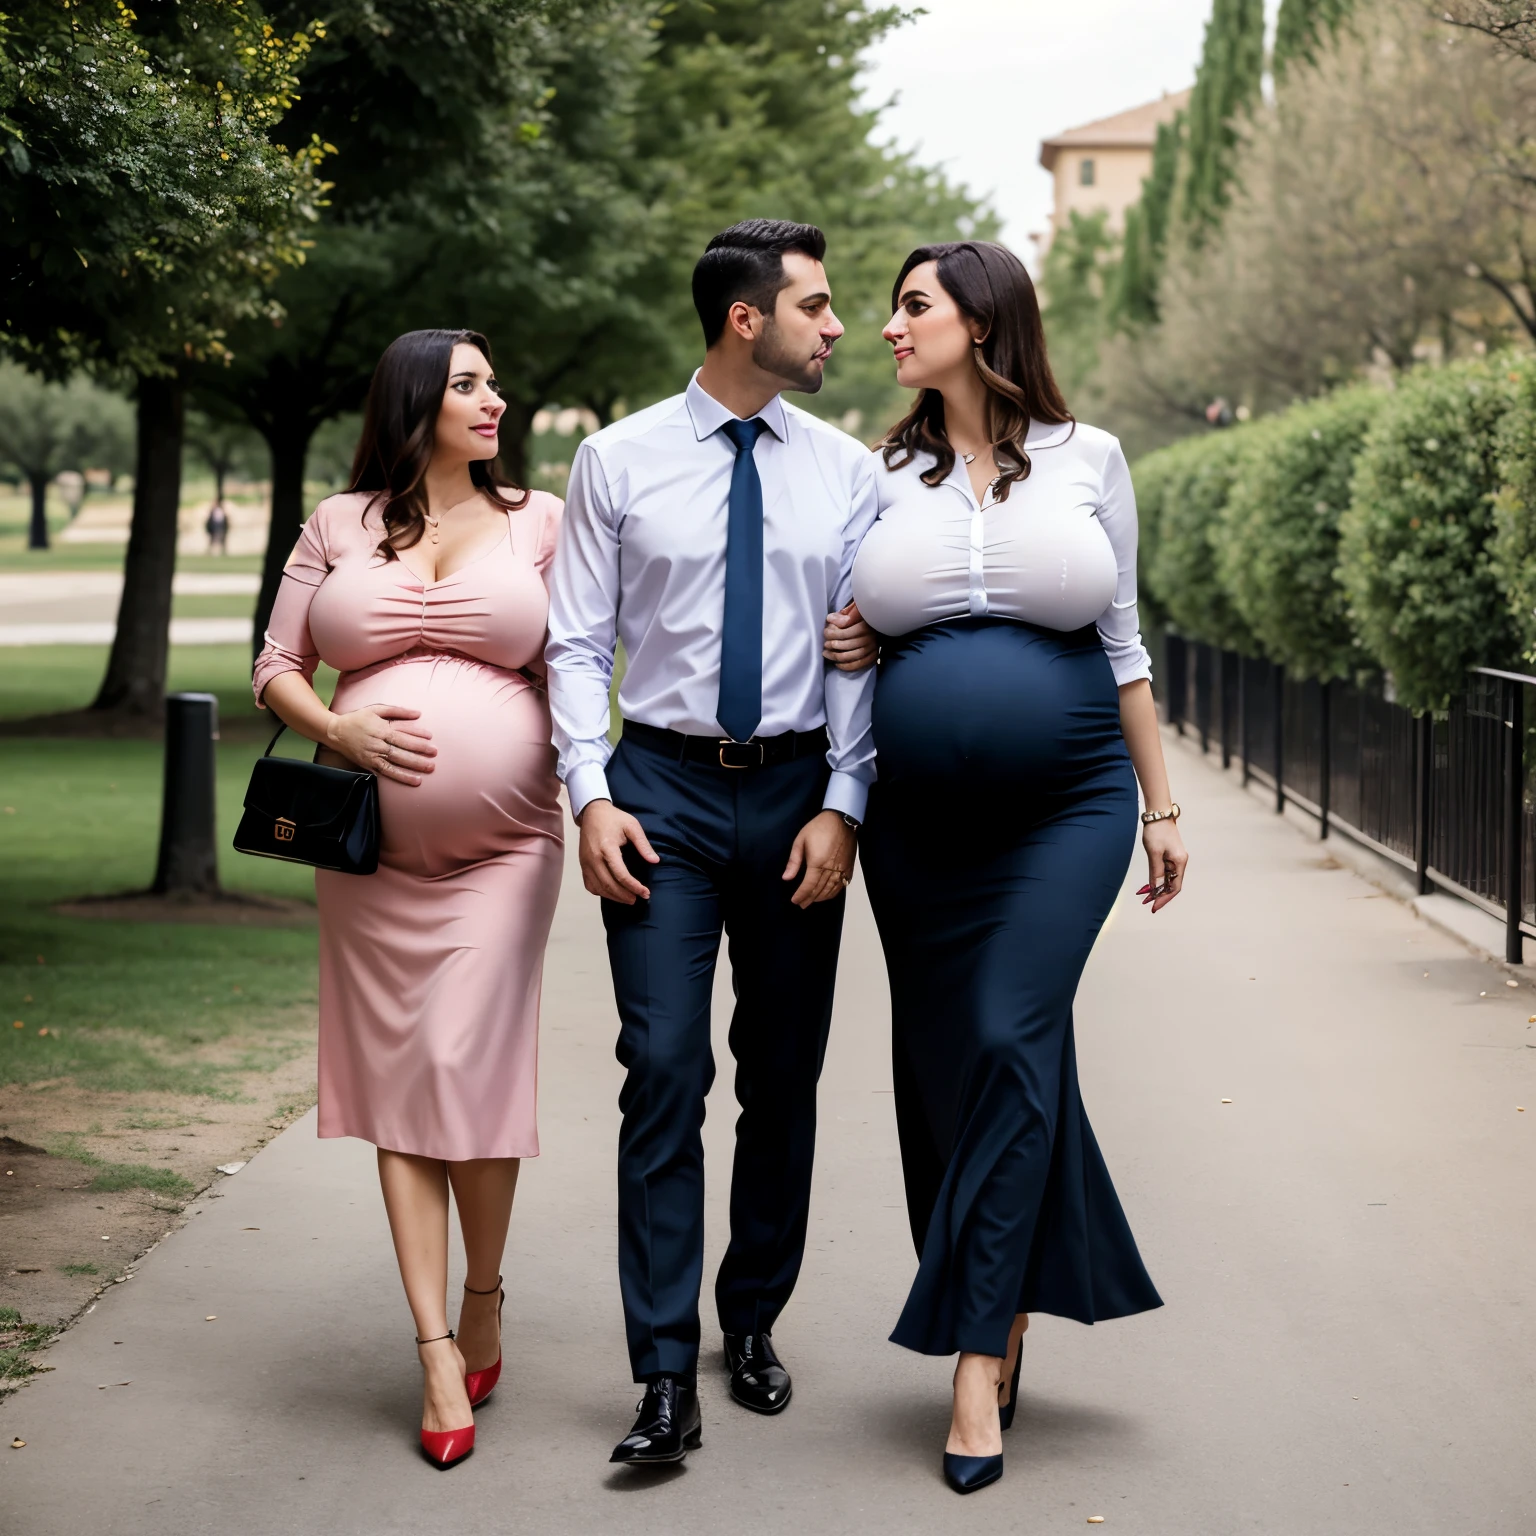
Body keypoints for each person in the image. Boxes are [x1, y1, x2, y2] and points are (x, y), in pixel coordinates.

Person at [827, 242, 1184, 1495]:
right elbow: (842, 647)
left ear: (982, 321)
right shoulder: (881, 474)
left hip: (1068, 809)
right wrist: (846, 640)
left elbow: (1125, 642)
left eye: (912, 305)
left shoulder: (1090, 458)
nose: (887, 325)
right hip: (918, 826)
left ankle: (976, 1358)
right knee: (946, 1076)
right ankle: (1016, 1289)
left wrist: (1160, 806)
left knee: (1005, 1029)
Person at [545, 219, 879, 1467]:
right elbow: (577, 644)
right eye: (818, 306)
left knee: (781, 1076)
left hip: (797, 792)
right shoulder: (616, 461)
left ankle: (753, 1322)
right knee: (668, 1069)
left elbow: (859, 653)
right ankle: (663, 1373)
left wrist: (845, 803)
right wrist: (591, 796)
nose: (837, 327)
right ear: (748, 318)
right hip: (661, 798)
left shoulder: (847, 471)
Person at [252, 329, 564, 1470]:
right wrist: (336, 726)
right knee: (401, 1081)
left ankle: (484, 1290)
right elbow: (274, 664)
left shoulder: (541, 519)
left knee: (466, 1067)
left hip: (504, 847)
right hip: (369, 852)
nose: (496, 398)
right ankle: (438, 1344)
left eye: (494, 380)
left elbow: (574, 666)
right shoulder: (338, 525)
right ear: (417, 399)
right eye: (472, 384)